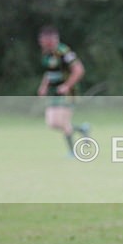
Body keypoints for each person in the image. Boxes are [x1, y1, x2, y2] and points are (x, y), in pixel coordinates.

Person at [37, 25, 90, 156]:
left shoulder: (64, 52)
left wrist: (67, 85)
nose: (41, 42)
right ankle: (82, 129)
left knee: (63, 122)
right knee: (52, 123)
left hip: (69, 92)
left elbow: (79, 70)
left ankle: (72, 151)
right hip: (54, 92)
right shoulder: (47, 54)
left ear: (51, 40)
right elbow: (50, 73)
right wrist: (44, 86)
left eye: (43, 40)